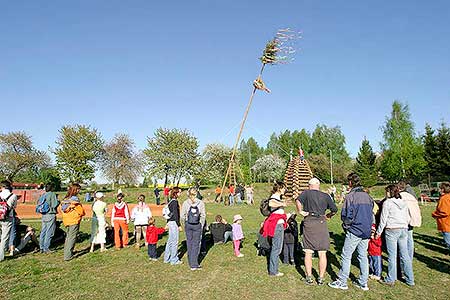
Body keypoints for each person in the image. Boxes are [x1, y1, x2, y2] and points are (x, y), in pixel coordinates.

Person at [329, 173, 374, 291]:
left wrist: (346, 226)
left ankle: (342, 281)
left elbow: (346, 214)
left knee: (346, 255)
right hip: (366, 230)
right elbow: (372, 213)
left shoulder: (350, 197)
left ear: (350, 183)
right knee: (363, 256)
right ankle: (363, 282)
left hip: (355, 230)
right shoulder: (368, 196)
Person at [296, 177, 338, 285]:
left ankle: (309, 277)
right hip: (321, 223)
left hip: (309, 221)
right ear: (318, 185)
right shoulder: (325, 195)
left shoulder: (306, 193)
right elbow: (335, 209)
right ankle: (321, 278)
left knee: (308, 251)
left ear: (310, 185)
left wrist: (301, 211)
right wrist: (328, 215)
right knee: (322, 252)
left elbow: (297, 200)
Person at [374, 184, 414, 286]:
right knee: (405, 255)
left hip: (391, 229)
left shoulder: (387, 203)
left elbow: (383, 219)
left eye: (386, 192)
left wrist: (378, 232)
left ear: (390, 192)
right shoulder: (403, 202)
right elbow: (407, 217)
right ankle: (410, 279)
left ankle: (390, 279)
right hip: (403, 229)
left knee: (392, 256)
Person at [262, 181, 288, 276]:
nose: (285, 190)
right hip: (276, 226)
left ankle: (274, 269)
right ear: (279, 188)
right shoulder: (274, 197)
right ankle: (273, 271)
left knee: (276, 247)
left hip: (277, 224)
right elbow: (271, 203)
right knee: (277, 248)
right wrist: (281, 203)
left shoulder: (277, 197)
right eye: (284, 188)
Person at [180, 187, 206, 271]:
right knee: (196, 244)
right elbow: (203, 215)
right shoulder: (201, 203)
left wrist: (184, 224)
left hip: (188, 224)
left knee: (189, 243)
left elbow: (182, 216)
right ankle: (194, 264)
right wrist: (201, 225)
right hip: (197, 225)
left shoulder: (185, 203)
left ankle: (190, 261)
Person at [398, 181, 422, 262]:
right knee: (410, 238)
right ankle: (410, 256)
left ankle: (404, 257)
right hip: (412, 220)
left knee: (403, 239)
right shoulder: (411, 196)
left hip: (403, 220)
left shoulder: (400, 196)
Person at [61, 183, 85, 261]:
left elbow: (64, 209)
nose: (79, 191)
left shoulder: (66, 199)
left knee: (68, 237)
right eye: (78, 189)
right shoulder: (75, 199)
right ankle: (68, 256)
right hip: (74, 220)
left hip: (67, 220)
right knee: (72, 237)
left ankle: (67, 252)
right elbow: (81, 211)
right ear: (75, 190)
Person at [164, 187, 183, 265]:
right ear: (176, 193)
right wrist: (179, 225)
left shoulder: (170, 201)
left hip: (170, 222)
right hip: (174, 223)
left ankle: (167, 258)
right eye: (179, 192)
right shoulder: (175, 202)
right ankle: (174, 259)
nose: (180, 193)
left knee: (170, 241)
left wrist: (167, 222)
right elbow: (175, 214)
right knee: (175, 241)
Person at [39, 183, 60, 254]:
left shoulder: (43, 194)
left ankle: (41, 247)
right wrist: (58, 201)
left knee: (43, 231)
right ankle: (46, 248)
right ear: (52, 188)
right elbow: (54, 204)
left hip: (44, 215)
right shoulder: (52, 194)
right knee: (49, 232)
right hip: (50, 214)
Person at [0, 181, 18, 261]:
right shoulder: (13, 196)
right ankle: (1, 256)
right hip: (7, 217)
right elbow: (14, 207)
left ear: (2, 186)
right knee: (4, 237)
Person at [432, 182, 450, 251]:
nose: (438, 190)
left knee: (448, 241)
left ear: (442, 189)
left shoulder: (444, 198)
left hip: (446, 223)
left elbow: (444, 212)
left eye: (439, 188)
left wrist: (434, 214)